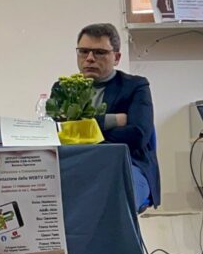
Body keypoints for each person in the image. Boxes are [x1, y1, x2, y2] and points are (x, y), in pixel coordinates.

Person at [58, 23, 159, 210]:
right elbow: (54, 132)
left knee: (112, 199)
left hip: (126, 164)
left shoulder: (135, 86)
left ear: (116, 57)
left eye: (99, 52)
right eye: (83, 51)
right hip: (75, 164)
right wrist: (110, 121)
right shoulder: (63, 88)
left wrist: (79, 131)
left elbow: (138, 136)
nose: (89, 58)